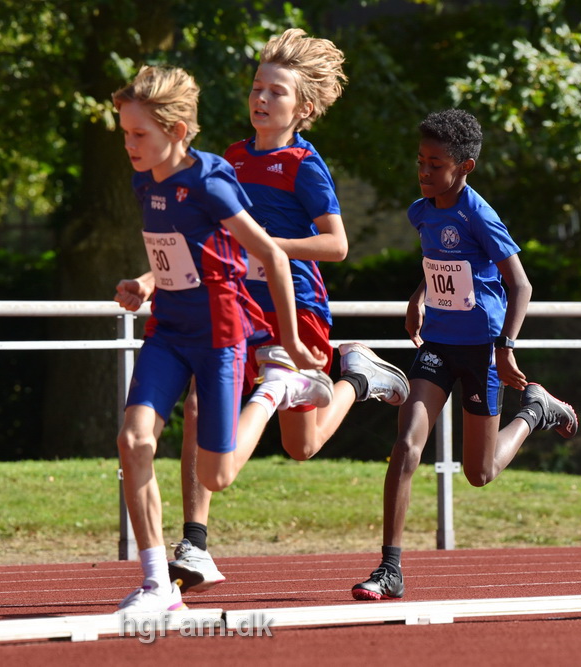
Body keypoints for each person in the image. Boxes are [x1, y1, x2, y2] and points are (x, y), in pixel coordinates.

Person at [167, 28, 411, 595]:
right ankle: (195, 544)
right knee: (202, 403)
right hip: (238, 306)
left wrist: (272, 248)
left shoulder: (304, 164)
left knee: (301, 446)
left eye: (275, 92)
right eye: (257, 87)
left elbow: (337, 245)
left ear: (302, 107)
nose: (260, 99)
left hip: (296, 308)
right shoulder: (227, 158)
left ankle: (357, 379)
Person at [111, 64, 334, 613]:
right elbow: (179, 251)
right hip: (167, 333)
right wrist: (142, 282)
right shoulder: (145, 179)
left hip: (220, 335)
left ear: (177, 131)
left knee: (219, 473)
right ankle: (157, 585)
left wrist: (290, 339)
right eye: (124, 134)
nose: (130, 145)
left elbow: (273, 256)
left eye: (139, 135)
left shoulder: (211, 178)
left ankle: (277, 388)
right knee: (134, 442)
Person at [350, 108, 579, 601]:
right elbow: (441, 263)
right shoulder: (422, 211)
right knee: (406, 445)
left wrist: (506, 348)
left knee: (479, 473)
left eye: (435, 164)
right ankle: (390, 569)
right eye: (420, 161)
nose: (424, 171)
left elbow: (521, 283)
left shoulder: (479, 214)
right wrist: (418, 298)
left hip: (481, 350)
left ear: (464, 167)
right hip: (437, 347)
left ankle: (535, 411)